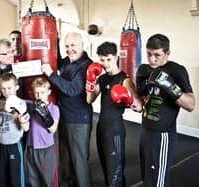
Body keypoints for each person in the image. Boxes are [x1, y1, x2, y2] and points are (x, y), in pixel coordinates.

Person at [136, 33, 195, 187]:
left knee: (158, 182)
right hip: (144, 131)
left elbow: (191, 105)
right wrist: (134, 102)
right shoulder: (144, 70)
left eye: (157, 55)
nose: (152, 59)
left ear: (167, 53)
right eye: (149, 54)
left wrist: (171, 86)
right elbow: (142, 102)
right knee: (147, 178)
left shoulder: (177, 71)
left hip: (163, 135)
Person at [86, 41, 142, 187]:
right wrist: (90, 81)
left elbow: (139, 107)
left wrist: (129, 100)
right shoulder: (102, 78)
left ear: (116, 57)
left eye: (108, 59)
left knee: (115, 170)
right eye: (102, 60)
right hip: (101, 127)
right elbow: (89, 99)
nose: (105, 64)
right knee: (105, 167)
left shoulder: (125, 79)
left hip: (115, 129)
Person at [41, 32, 93, 187]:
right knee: (64, 157)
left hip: (78, 119)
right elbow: (54, 58)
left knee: (79, 160)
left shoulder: (86, 66)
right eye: (67, 46)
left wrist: (51, 74)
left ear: (82, 46)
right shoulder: (65, 62)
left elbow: (72, 89)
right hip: (63, 116)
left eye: (73, 45)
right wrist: (52, 40)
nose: (70, 49)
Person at [0, 72, 29, 187]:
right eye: (3, 88)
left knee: (16, 180)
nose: (6, 91)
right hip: (0, 146)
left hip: (14, 146)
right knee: (1, 179)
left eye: (9, 88)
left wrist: (21, 114)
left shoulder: (21, 103)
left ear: (16, 87)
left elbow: (26, 128)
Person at [26, 77, 60, 187]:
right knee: (33, 179)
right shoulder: (31, 105)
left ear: (48, 92)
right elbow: (16, 101)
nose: (39, 95)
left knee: (48, 180)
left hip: (46, 149)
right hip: (32, 147)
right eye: (36, 93)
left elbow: (53, 129)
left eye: (42, 92)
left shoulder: (54, 109)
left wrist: (45, 115)